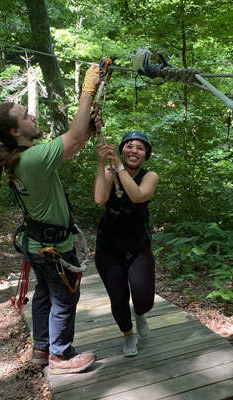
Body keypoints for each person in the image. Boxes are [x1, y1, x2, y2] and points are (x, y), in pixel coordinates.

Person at [0, 64, 104, 374]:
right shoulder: (32, 158)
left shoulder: (22, 159)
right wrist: (87, 90)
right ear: (15, 131)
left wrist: (86, 130)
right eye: (26, 115)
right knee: (65, 299)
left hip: (38, 243)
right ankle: (60, 356)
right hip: (53, 246)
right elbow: (72, 138)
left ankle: (42, 347)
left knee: (46, 295)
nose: (32, 116)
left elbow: (72, 145)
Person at [93, 130, 158, 357]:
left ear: (145, 155)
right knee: (118, 298)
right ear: (121, 149)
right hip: (108, 247)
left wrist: (118, 166)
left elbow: (138, 196)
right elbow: (100, 198)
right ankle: (128, 336)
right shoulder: (109, 172)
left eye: (140, 148)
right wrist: (102, 164)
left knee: (144, 300)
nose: (134, 151)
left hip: (137, 245)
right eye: (129, 146)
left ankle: (140, 313)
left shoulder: (150, 176)